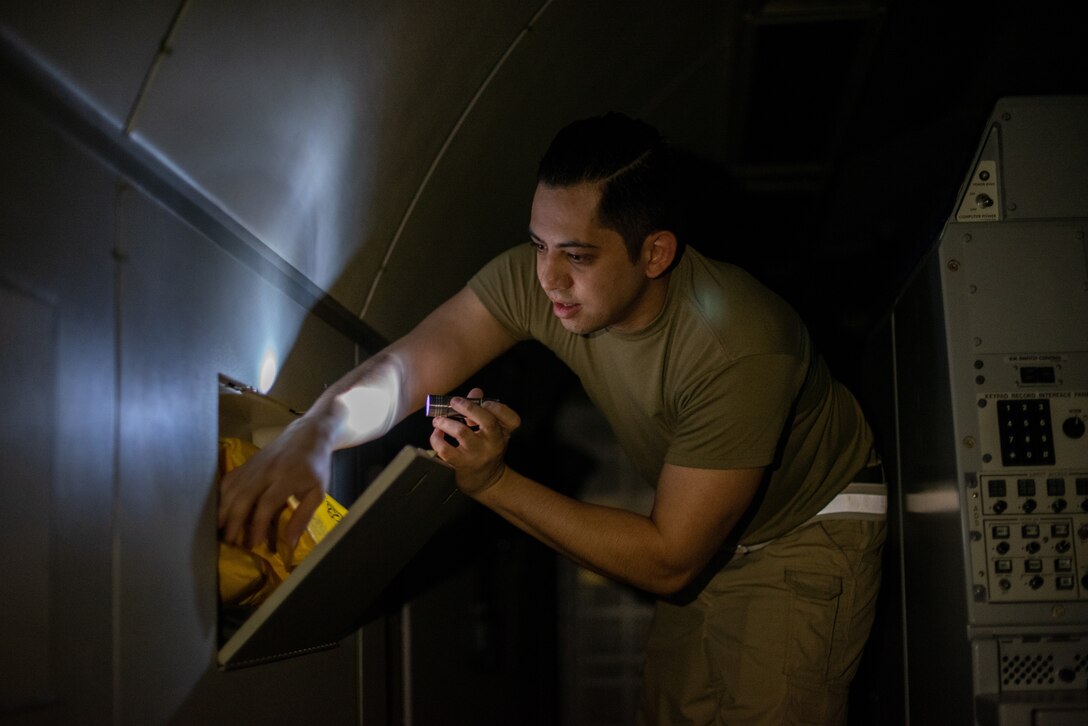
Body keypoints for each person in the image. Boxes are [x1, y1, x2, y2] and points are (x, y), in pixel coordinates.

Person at [218, 112, 885, 725]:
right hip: (717, 539)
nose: (548, 278)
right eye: (538, 244)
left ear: (654, 254)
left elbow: (668, 562)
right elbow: (414, 364)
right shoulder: (538, 283)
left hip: (805, 528)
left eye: (577, 255)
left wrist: (493, 483)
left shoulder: (740, 348)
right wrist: (316, 431)